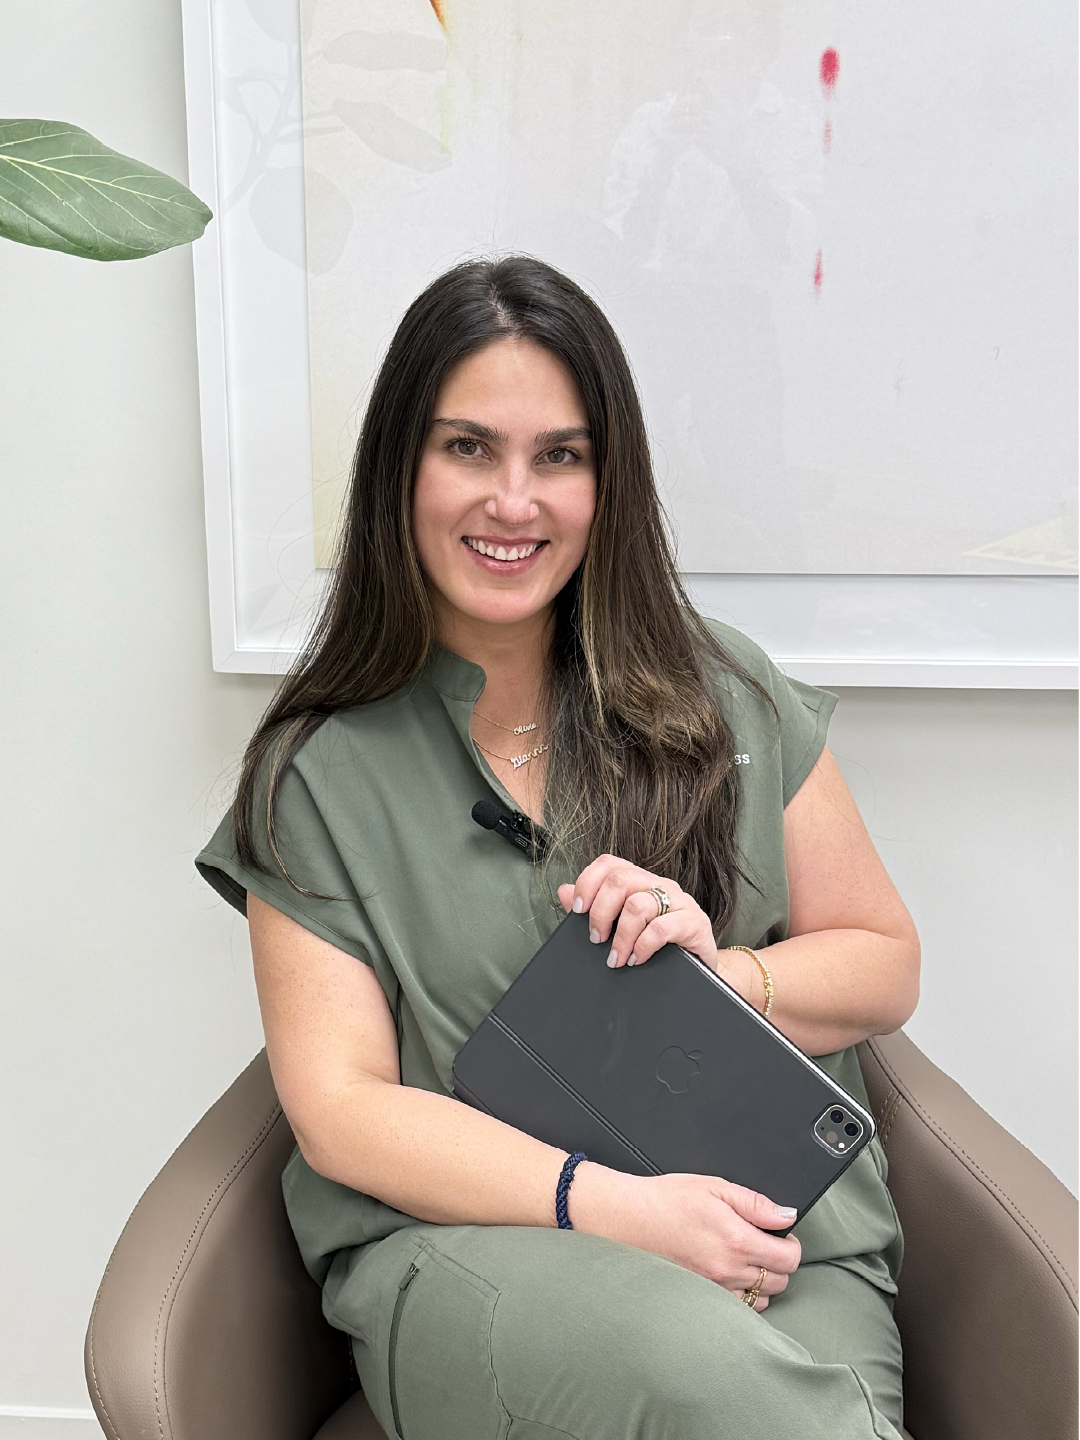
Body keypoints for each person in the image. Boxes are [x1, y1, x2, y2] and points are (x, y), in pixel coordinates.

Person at [196, 255, 919, 1440]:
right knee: (714, 1385)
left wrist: (718, 978)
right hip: (482, 1245)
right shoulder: (313, 776)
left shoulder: (724, 688)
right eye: (468, 447)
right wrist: (627, 1211)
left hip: (784, 1240)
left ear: (607, 479)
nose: (513, 500)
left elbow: (887, 961)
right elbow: (341, 1110)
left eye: (560, 456)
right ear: (400, 468)